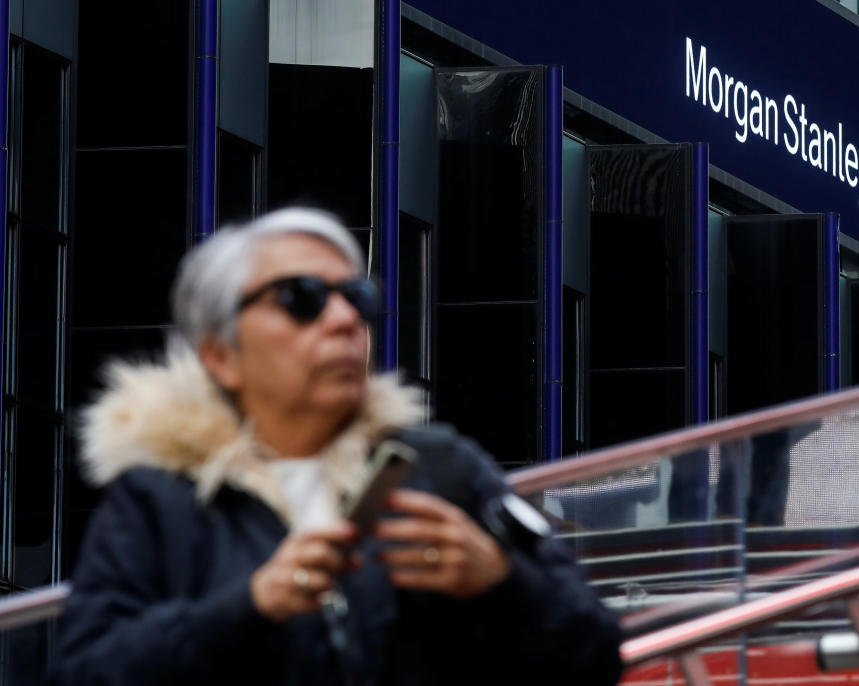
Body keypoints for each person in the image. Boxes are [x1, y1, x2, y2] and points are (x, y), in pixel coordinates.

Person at [53, 208, 623, 686]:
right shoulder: (157, 501)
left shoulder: (443, 467)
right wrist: (250, 605)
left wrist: (501, 583)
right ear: (220, 355)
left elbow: (596, 653)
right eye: (302, 298)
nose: (345, 319)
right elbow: (82, 672)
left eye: (357, 296)